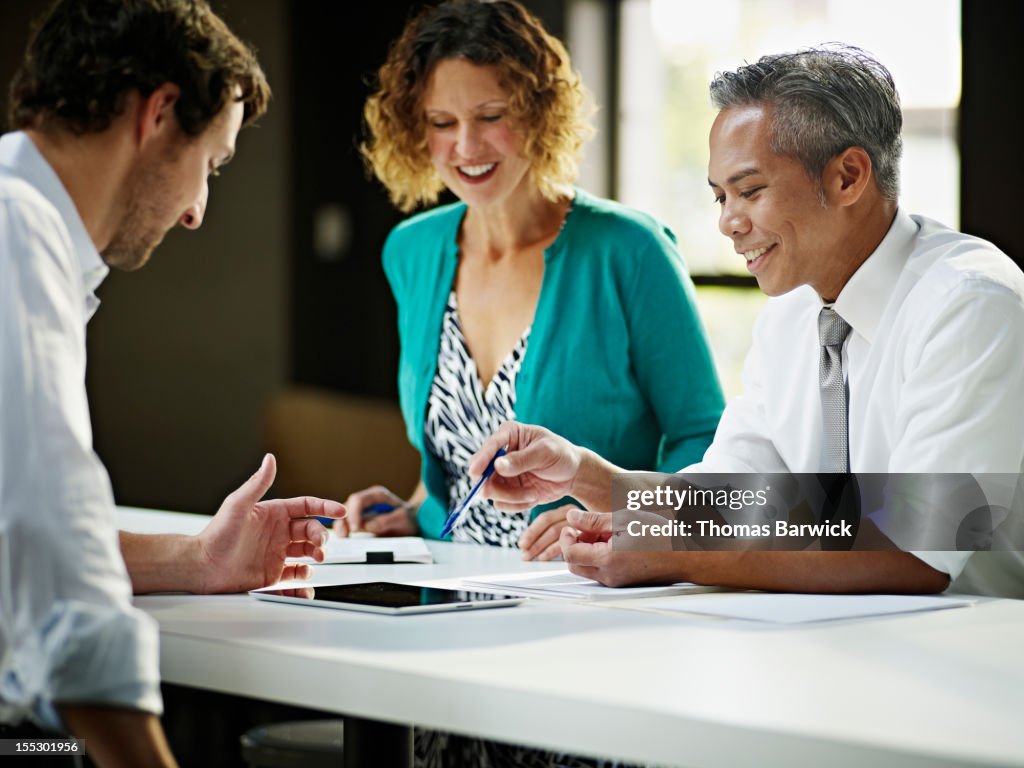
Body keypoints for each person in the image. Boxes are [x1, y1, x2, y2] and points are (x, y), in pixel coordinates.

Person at [470, 45, 1024, 596]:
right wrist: (585, 476)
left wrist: (676, 555)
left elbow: (914, 551)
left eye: (750, 191)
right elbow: (729, 503)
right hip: (826, 648)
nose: (729, 224)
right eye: (719, 197)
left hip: (973, 655)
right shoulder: (790, 314)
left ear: (848, 177)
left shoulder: (971, 304)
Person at [0, 2, 344, 765]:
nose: (196, 211)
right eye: (210, 165)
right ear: (157, 114)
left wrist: (194, 563)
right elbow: (59, 583)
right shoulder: (16, 235)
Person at [337, 0, 724, 564]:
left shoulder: (629, 249)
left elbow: (705, 440)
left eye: (491, 116)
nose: (466, 147)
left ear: (539, 111)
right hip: (447, 587)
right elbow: (455, 444)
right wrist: (414, 510)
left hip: (586, 589)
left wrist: (620, 513)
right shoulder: (410, 251)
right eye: (442, 123)